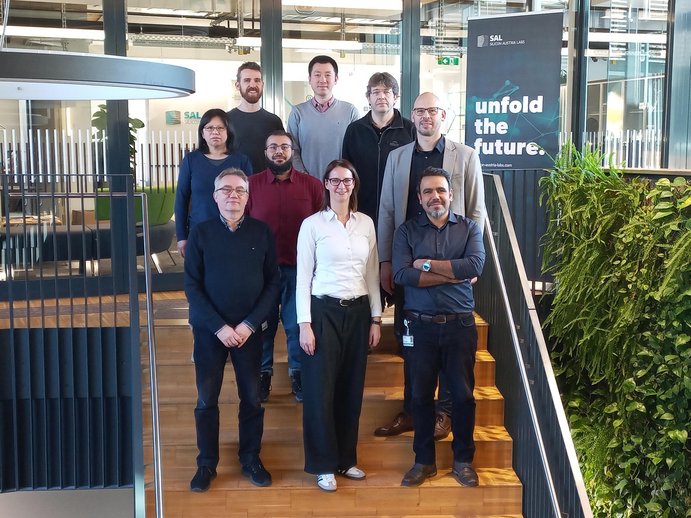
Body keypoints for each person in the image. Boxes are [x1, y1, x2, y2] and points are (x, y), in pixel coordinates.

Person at [374, 92, 487, 440]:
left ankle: (445, 413)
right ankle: (412, 409)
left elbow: (476, 211)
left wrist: (469, 265)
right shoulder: (397, 157)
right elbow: (388, 211)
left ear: (444, 115)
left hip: (453, 260)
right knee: (411, 343)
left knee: (453, 353)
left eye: (432, 111)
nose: (426, 116)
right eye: (420, 111)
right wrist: (385, 260)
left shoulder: (465, 156)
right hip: (409, 263)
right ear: (411, 115)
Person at [185, 168, 279, 492]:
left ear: (247, 196)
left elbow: (273, 284)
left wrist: (249, 324)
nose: (233, 195)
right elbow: (192, 287)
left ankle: (251, 458)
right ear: (215, 196)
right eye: (226, 190)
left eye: (239, 190)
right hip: (210, 332)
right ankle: (206, 464)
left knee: (252, 399)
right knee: (206, 400)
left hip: (249, 333)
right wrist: (220, 327)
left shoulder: (262, 233)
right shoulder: (200, 233)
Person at [393, 167, 485, 488]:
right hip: (420, 328)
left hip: (460, 326)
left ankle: (463, 461)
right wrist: (454, 273)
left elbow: (475, 266)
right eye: (429, 191)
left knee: (462, 396)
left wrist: (427, 264)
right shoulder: (406, 231)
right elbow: (402, 275)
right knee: (419, 397)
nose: (436, 196)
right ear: (420, 198)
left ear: (451, 194)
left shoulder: (470, 228)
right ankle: (424, 461)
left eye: (441, 190)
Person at [296, 159, 382, 492]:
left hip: (359, 313)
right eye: (335, 180)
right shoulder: (313, 225)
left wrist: (376, 318)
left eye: (347, 180)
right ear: (326, 185)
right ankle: (323, 464)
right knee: (320, 391)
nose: (341, 186)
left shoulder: (366, 224)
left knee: (350, 388)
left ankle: (346, 460)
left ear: (354, 185)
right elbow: (303, 278)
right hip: (323, 313)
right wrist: (305, 324)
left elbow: (372, 273)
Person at [246, 130, 323, 403]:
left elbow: (321, 227)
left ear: (293, 152)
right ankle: (263, 374)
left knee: (295, 323)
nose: (279, 151)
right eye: (273, 147)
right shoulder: (250, 185)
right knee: (263, 325)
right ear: (265, 152)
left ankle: (298, 374)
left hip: (299, 270)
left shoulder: (312, 186)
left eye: (285, 147)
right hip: (262, 272)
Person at [175, 108, 252, 258]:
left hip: (234, 232)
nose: (215, 132)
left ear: (228, 131)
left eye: (220, 128)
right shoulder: (191, 160)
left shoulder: (242, 161)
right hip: (199, 231)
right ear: (202, 133)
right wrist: (181, 237)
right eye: (209, 128)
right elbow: (181, 199)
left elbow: (250, 199)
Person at [342, 72, 415, 228]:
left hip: (401, 212)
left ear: (396, 97)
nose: (381, 96)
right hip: (361, 210)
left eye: (387, 92)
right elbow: (346, 171)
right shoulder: (354, 130)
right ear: (368, 97)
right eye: (376, 92)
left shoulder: (410, 131)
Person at [287, 55, 359, 178]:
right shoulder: (297, 112)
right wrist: (305, 178)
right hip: (307, 186)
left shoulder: (350, 111)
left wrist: (344, 179)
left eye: (327, 75)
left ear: (336, 79)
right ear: (309, 79)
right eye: (317, 75)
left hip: (340, 186)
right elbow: (293, 151)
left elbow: (357, 151)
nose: (322, 79)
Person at [228, 62, 284, 173]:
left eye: (257, 80)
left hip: (267, 185)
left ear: (262, 84)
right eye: (247, 80)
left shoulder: (274, 121)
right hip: (236, 186)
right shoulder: (226, 120)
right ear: (237, 85)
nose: (253, 85)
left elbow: (282, 155)